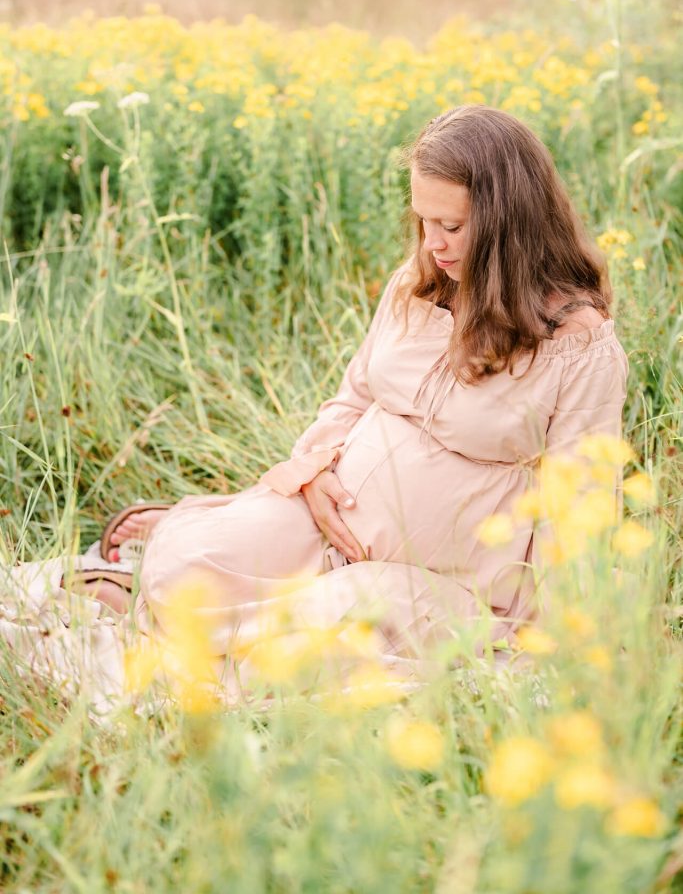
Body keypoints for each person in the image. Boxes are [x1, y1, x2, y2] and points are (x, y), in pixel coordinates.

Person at [3, 105, 629, 701]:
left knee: (302, 650)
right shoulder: (416, 287)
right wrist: (314, 474)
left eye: (454, 226)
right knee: (180, 564)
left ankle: (154, 608)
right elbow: (353, 396)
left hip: (443, 581)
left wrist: (563, 634)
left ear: (507, 221)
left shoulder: (576, 345)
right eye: (423, 222)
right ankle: (166, 573)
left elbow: (581, 503)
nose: (433, 243)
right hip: (332, 521)